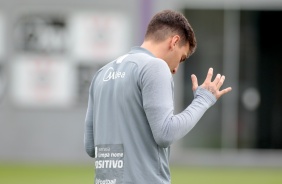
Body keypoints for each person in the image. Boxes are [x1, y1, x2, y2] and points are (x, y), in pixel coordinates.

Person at [84, 9, 232, 184]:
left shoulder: (101, 73)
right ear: (174, 41)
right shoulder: (155, 66)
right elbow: (166, 133)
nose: (176, 68)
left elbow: (91, 147)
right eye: (182, 58)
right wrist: (203, 100)